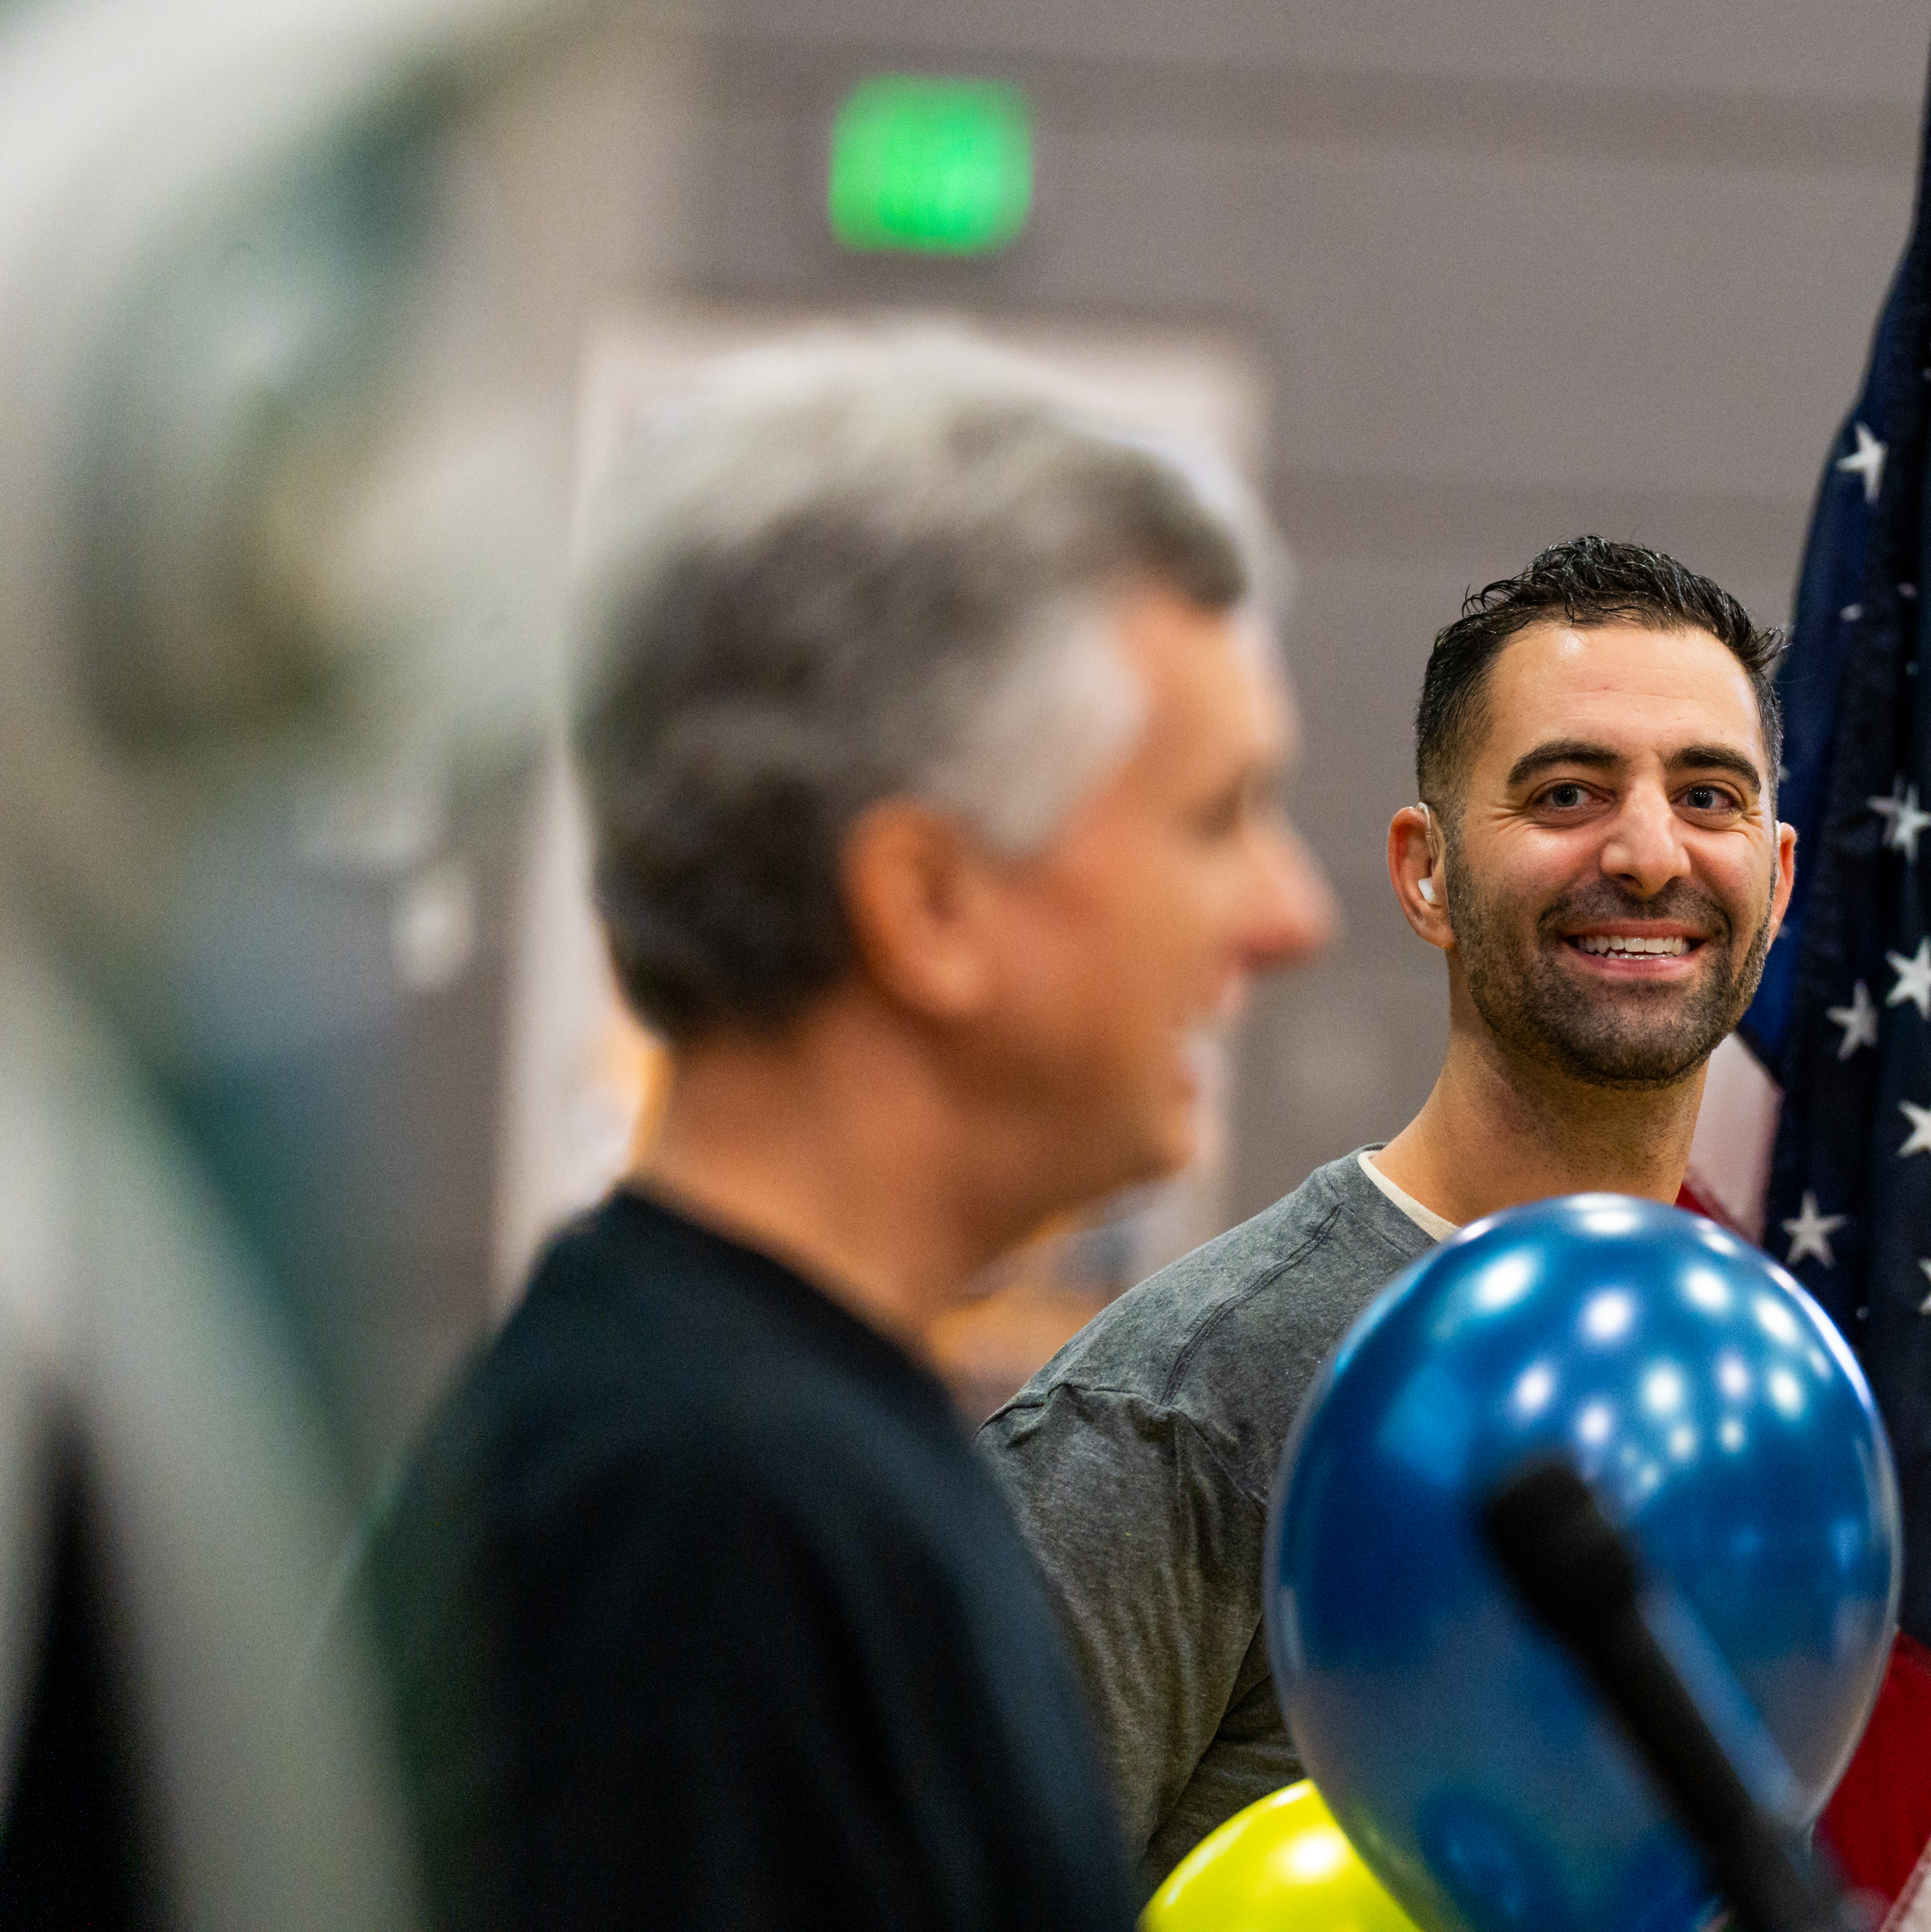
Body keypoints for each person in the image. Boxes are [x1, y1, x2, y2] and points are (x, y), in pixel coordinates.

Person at [365, 332, 1332, 1931]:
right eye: (1212, 817)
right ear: (927, 904)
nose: (1287, 915)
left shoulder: (772, 1461)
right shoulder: (697, 1538)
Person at [981, 534, 1796, 1886]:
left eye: (1705, 796)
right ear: (1423, 874)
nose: (1651, 854)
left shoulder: (1765, 1392)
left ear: (1775, 874)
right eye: (1568, 794)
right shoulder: (1179, 1411)